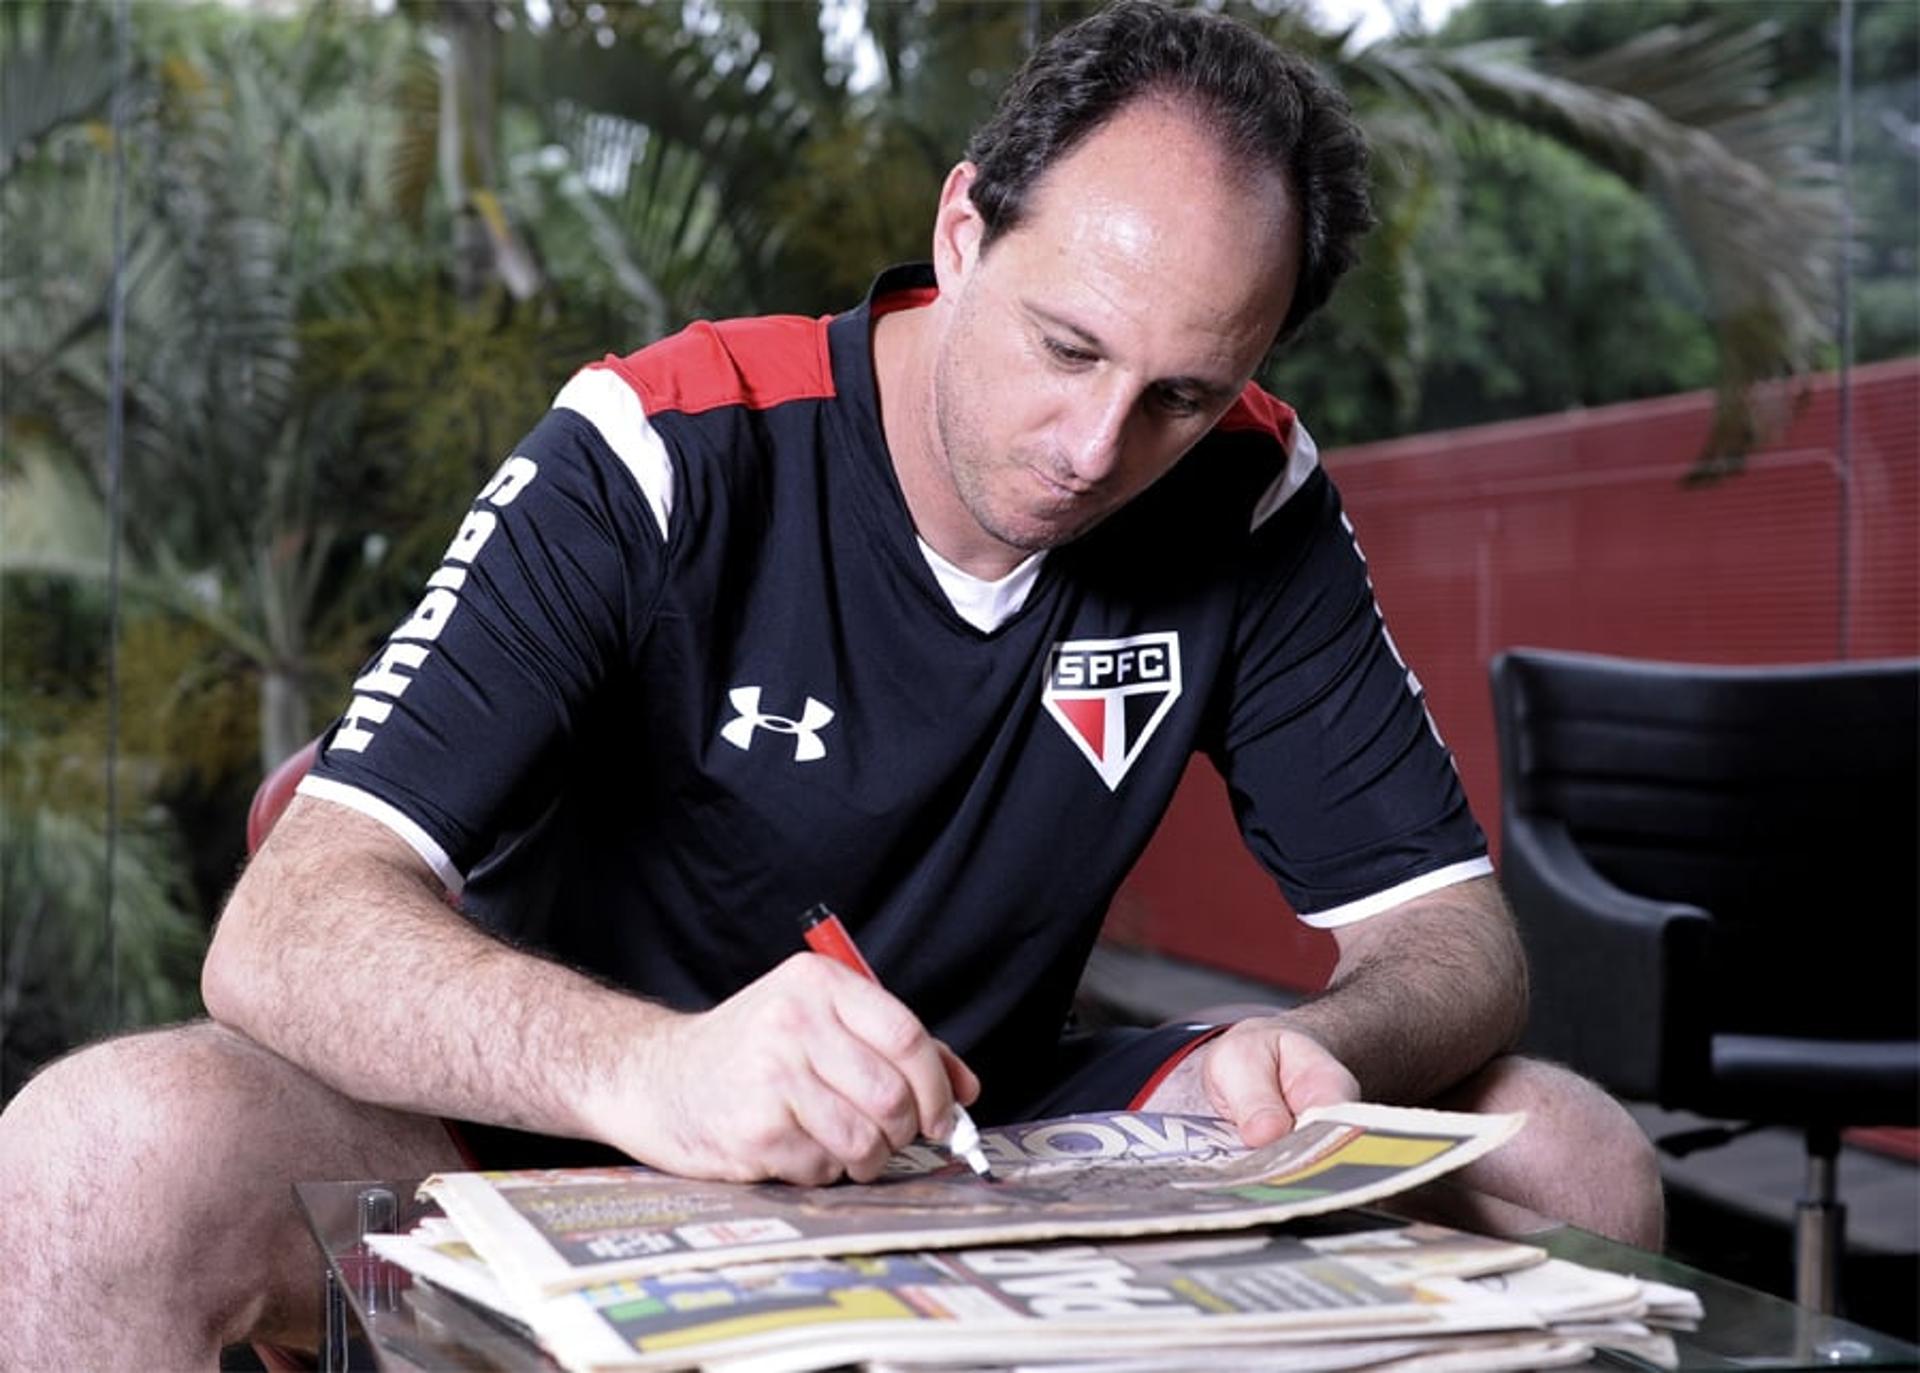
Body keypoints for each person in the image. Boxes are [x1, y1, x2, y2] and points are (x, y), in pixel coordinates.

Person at [0, 3, 1662, 1364]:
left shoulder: (1247, 491)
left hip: (979, 1142)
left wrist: (1328, 1051)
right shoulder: (665, 444)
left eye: (1179, 392)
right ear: (961, 228)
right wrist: (654, 1071)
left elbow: (1454, 937)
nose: (1096, 450)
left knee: (1565, 1149)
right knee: (99, 1153)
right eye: (1067, 348)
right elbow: (284, 928)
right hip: (542, 1132)